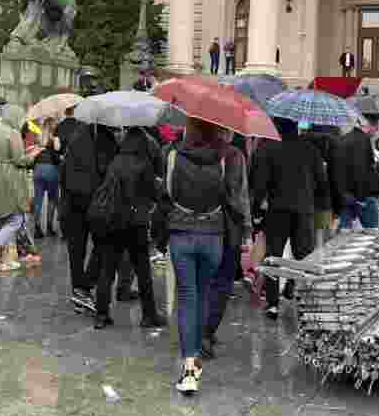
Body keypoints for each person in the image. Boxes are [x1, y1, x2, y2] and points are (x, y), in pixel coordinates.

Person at [156, 117, 246, 395]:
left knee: (187, 298)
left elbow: (166, 193)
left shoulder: (172, 155)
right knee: (205, 294)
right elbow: (234, 200)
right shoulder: (226, 157)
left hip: (181, 233)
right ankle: (198, 351)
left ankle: (190, 365)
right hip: (213, 236)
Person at [91, 127, 167, 330]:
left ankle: (101, 314)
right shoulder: (144, 164)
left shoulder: (115, 162)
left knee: (107, 269)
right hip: (136, 224)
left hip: (113, 222)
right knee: (143, 271)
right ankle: (148, 315)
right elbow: (154, 194)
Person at [250, 117, 326, 320]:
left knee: (273, 255)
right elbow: (321, 181)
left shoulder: (268, 148)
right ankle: (301, 297)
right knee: (303, 257)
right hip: (304, 211)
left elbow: (260, 184)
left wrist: (256, 209)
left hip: (277, 210)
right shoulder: (311, 149)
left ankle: (273, 303)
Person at [60, 120, 117, 311]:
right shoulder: (106, 139)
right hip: (94, 203)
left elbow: (64, 172)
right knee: (103, 244)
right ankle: (84, 287)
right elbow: (107, 171)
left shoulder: (74, 137)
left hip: (72, 203)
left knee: (76, 251)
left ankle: (78, 291)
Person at [202, 132, 249, 358]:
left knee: (200, 282)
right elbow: (240, 195)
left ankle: (198, 331)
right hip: (227, 227)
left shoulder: (190, 150)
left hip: (197, 224)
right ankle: (206, 333)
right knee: (221, 283)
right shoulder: (234, 155)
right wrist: (247, 227)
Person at [0, 105, 36, 276]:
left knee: (3, 219)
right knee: (16, 219)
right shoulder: (13, 133)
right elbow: (19, 159)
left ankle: (4, 261)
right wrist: (32, 156)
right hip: (10, 178)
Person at [338, 124, 379, 229]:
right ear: (370, 125)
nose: (377, 131)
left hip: (345, 195)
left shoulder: (342, 139)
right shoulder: (364, 140)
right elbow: (362, 169)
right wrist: (361, 198)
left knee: (345, 235)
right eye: (377, 127)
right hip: (364, 195)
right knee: (372, 235)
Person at [32, 118, 61, 238]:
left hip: (38, 169)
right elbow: (58, 150)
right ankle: (49, 227)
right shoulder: (55, 138)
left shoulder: (38, 138)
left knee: (38, 199)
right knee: (52, 199)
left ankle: (37, 228)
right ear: (53, 126)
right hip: (51, 169)